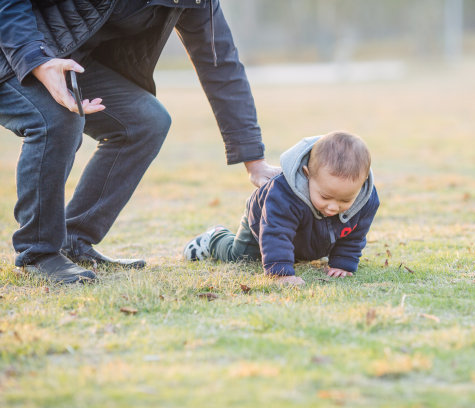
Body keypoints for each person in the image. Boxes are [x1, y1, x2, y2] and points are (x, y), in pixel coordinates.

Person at [0, 0, 279, 284]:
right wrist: (36, 58)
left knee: (145, 121)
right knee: (57, 120)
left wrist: (254, 161)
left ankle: (74, 240)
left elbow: (221, 66)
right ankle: (38, 254)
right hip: (14, 46)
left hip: (69, 58)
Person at [183, 131, 380, 286]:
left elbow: (355, 234)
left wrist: (343, 263)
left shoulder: (365, 200)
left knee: (303, 248)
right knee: (241, 258)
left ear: (361, 185)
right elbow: (276, 232)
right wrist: (280, 273)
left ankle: (294, 252)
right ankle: (215, 237)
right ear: (307, 174)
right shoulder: (283, 194)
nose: (333, 207)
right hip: (264, 225)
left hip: (311, 233)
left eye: (345, 200)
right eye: (325, 196)